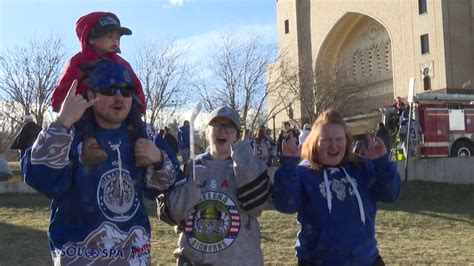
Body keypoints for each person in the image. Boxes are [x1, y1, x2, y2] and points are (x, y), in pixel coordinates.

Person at [21, 60, 177, 265]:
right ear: (92, 95)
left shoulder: (144, 134)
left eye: (126, 91)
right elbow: (42, 179)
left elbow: (165, 184)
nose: (119, 96)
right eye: (110, 89)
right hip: (81, 256)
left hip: (133, 256)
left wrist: (158, 159)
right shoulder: (72, 131)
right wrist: (62, 123)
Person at [272, 108, 401, 265]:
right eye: (326, 140)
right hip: (317, 261)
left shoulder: (362, 167)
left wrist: (382, 162)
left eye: (339, 139)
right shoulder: (303, 172)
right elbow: (286, 204)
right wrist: (288, 166)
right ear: (314, 142)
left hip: (366, 260)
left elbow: (391, 194)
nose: (334, 146)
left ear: (346, 141)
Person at [158, 106, 271, 265]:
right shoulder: (189, 169)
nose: (223, 130)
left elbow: (255, 207)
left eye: (230, 126)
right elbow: (170, 216)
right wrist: (187, 193)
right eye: (216, 124)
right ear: (206, 132)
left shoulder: (251, 167)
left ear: (237, 136)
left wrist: (243, 160)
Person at [51, 11, 149, 167]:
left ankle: (142, 145)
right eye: (109, 36)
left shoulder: (121, 64)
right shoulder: (79, 61)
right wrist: (60, 103)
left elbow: (134, 84)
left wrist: (140, 104)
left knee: (133, 115)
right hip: (86, 104)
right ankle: (90, 144)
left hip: (115, 105)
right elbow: (66, 84)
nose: (115, 41)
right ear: (91, 38)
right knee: (84, 113)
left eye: (117, 37)